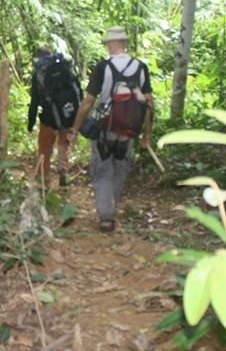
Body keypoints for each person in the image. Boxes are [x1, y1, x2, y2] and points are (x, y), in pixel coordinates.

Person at [71, 26, 154, 233]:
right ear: (124, 44)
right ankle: (111, 207)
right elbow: (149, 103)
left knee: (102, 171)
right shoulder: (141, 67)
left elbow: (88, 101)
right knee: (120, 169)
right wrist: (147, 134)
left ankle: (106, 216)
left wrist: (75, 127)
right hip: (129, 131)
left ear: (111, 44)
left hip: (105, 129)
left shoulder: (102, 67)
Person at [27, 47, 82, 188]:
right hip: (66, 114)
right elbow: (78, 91)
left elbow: (34, 102)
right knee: (63, 144)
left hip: (49, 118)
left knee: (44, 149)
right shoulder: (65, 68)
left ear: (38, 58)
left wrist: (31, 123)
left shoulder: (39, 73)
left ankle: (44, 181)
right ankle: (64, 173)